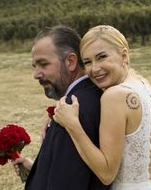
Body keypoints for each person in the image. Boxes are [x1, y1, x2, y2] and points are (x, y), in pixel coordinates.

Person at [53, 25, 151, 190]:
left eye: (102, 57)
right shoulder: (142, 83)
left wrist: (72, 125)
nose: (95, 68)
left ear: (123, 55)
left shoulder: (114, 96)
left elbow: (106, 174)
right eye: (88, 62)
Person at [12, 25, 111, 190]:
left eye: (43, 64)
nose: (36, 74)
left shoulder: (74, 109)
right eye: (34, 66)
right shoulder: (89, 96)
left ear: (71, 62)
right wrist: (36, 170)